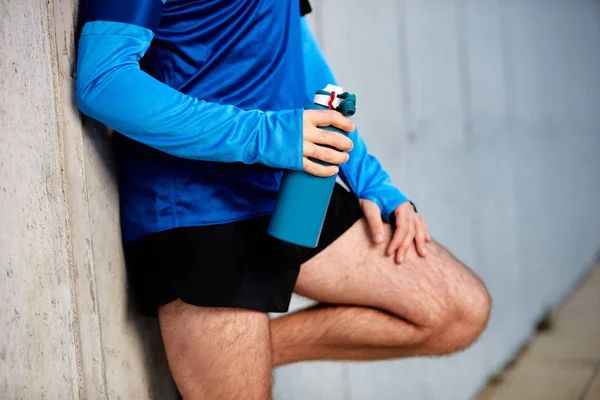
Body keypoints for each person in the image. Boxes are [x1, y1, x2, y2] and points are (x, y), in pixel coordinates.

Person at [76, 0, 491, 398]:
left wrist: (369, 178)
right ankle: (220, 368)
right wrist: (267, 136)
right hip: (196, 209)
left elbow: (295, 48)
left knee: (458, 312)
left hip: (289, 186)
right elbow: (103, 81)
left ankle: (231, 364)